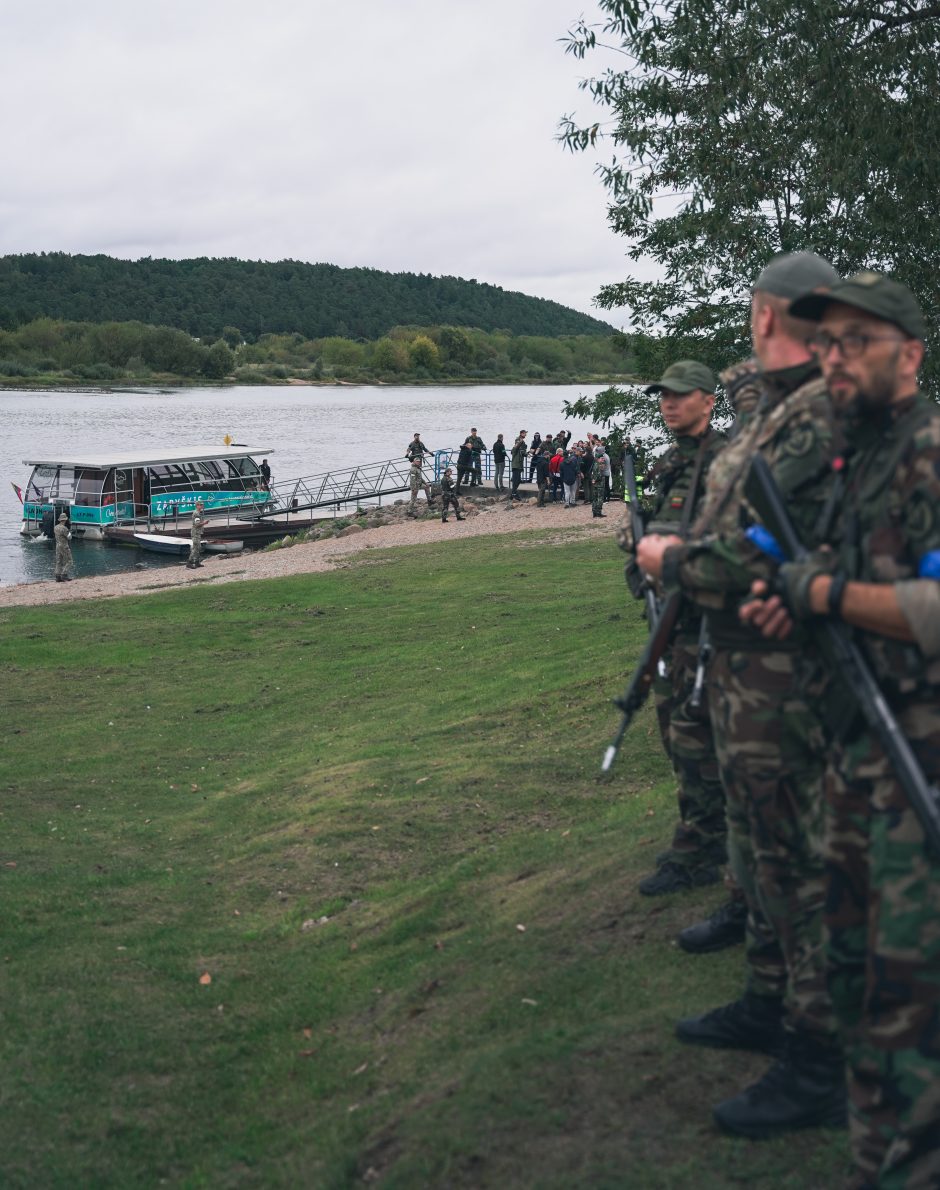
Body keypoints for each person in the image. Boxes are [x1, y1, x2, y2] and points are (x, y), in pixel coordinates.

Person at [638, 252, 845, 1137]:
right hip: (734, 658)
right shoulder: (780, 415)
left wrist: (674, 560)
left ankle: (820, 1056)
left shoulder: (817, 417)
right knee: (758, 844)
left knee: (797, 861)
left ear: (769, 316)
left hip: (787, 667)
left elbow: (764, 548)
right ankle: (768, 998)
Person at [742, 272, 940, 1188]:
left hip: (919, 770)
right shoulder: (855, 455)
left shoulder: (929, 453)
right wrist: (804, 603)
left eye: (857, 340)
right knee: (858, 982)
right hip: (855, 756)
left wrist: (825, 594)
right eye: (825, 343)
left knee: (910, 1003)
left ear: (910, 352)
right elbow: (841, 576)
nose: (834, 357)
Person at [622, 360, 728, 897]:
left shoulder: (729, 462)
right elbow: (644, 526)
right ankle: (702, 830)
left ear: (709, 400)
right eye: (663, 394)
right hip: (663, 621)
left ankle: (703, 847)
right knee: (673, 733)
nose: (668, 403)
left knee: (696, 736)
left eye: (681, 395)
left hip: (705, 626)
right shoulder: (665, 463)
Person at [53, 512, 73, 582]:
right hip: (64, 546)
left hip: (57, 545)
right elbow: (69, 537)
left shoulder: (55, 527)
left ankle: (57, 576)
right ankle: (64, 574)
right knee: (69, 561)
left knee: (59, 561)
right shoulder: (64, 528)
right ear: (65, 520)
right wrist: (70, 532)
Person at [508, 432, 527, 503]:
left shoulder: (520, 449)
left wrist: (528, 453)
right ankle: (514, 493)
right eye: (524, 433)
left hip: (519, 465)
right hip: (516, 466)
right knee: (516, 480)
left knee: (518, 480)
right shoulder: (515, 449)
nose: (525, 435)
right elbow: (515, 448)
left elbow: (523, 452)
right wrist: (520, 442)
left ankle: (513, 494)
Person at [187, 500, 206, 569]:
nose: (202, 506)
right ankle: (189, 563)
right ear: (197, 505)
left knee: (198, 547)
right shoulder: (196, 513)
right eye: (200, 505)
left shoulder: (198, 513)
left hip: (198, 532)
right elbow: (197, 524)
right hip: (195, 533)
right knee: (195, 548)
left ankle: (197, 562)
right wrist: (204, 523)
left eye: (202, 505)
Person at [590, 448, 609, 517]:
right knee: (600, 499)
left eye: (603, 458)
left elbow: (592, 474)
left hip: (595, 484)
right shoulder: (600, 465)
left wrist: (593, 480)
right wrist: (595, 480)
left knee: (594, 498)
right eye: (602, 458)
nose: (603, 460)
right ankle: (598, 512)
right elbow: (599, 475)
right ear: (598, 459)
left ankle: (594, 512)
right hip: (600, 484)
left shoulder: (595, 464)